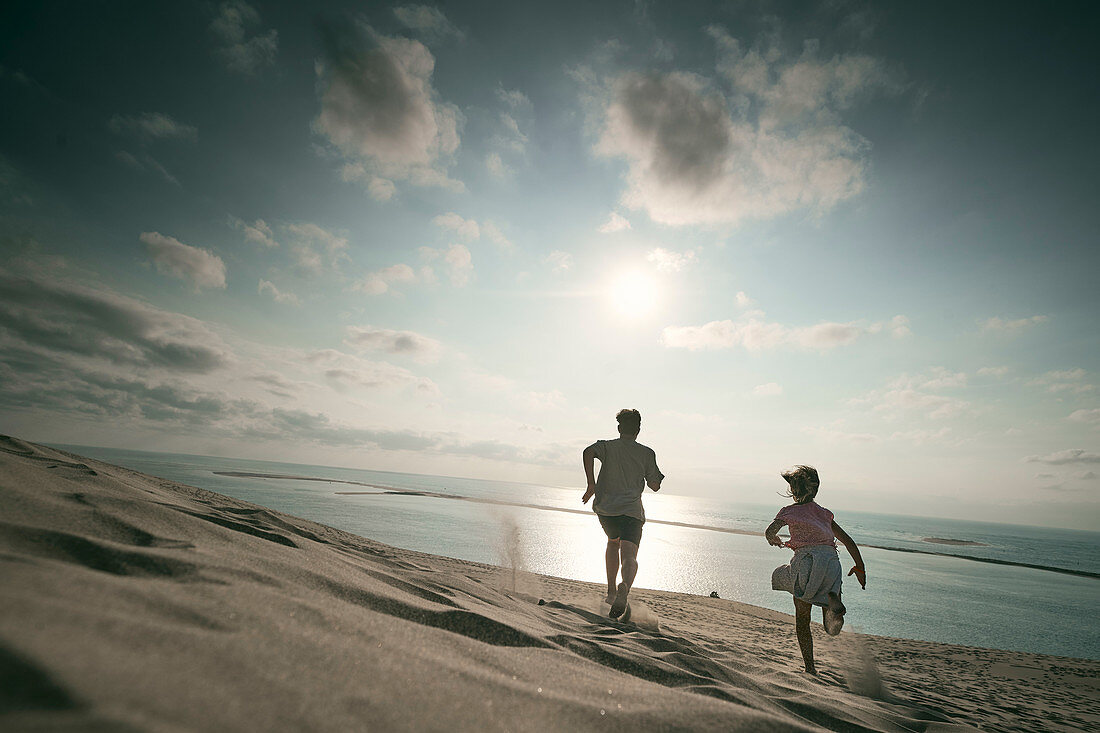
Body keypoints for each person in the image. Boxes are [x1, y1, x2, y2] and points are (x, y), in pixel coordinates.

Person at [765, 465, 866, 674]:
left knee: (802, 620)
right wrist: (860, 568)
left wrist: (773, 539)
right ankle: (834, 604)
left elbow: (769, 532)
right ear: (816, 489)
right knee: (832, 628)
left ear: (793, 490)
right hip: (831, 564)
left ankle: (810, 668)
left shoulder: (788, 512)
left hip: (806, 564)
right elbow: (848, 541)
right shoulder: (825, 514)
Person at [581, 409, 664, 619]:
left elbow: (587, 452)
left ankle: (610, 591)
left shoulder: (607, 446)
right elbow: (654, 485)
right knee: (629, 555)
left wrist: (591, 484)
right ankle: (624, 587)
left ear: (619, 428)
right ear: (638, 429)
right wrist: (654, 478)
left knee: (612, 543)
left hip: (607, 510)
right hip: (632, 512)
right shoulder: (646, 453)